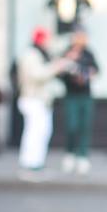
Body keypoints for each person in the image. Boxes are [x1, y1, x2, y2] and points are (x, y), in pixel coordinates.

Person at [17, 27, 69, 177]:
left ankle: (36, 163)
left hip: (41, 100)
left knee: (42, 132)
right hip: (33, 99)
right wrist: (56, 67)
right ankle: (29, 164)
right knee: (34, 132)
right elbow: (37, 75)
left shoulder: (40, 54)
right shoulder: (31, 54)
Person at [59, 28, 99, 175]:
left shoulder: (88, 53)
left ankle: (82, 156)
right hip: (71, 95)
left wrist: (86, 74)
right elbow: (59, 73)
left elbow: (96, 70)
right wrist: (69, 64)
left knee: (85, 126)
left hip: (85, 95)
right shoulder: (67, 52)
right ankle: (69, 153)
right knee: (72, 125)